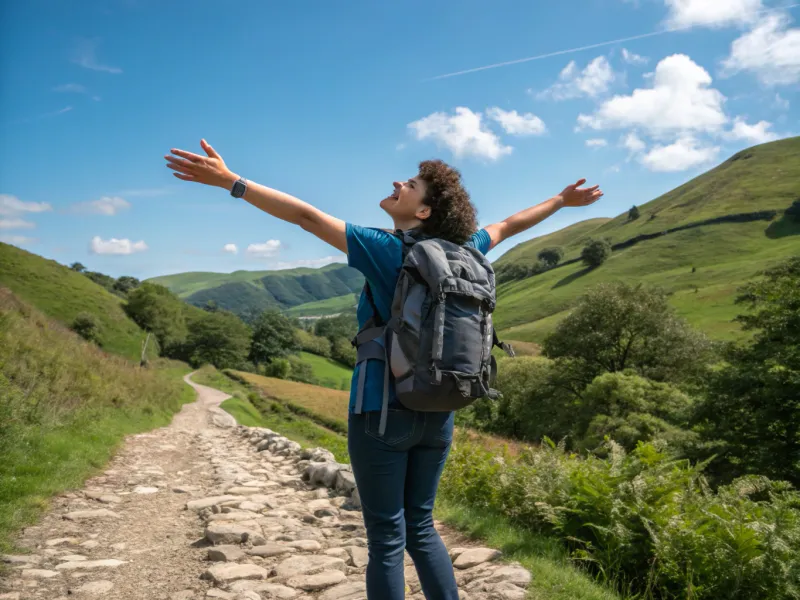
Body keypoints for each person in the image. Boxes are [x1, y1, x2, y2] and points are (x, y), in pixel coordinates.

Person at [165, 140, 603, 599]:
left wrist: (232, 182)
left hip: (380, 411)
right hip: (440, 410)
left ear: (425, 212)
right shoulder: (465, 250)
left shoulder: (386, 249)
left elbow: (306, 217)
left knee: (387, 539)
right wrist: (561, 201)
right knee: (422, 527)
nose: (398, 183)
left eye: (410, 185)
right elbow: (508, 225)